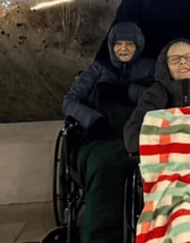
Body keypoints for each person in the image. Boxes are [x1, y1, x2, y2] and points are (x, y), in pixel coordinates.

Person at [62, 22, 155, 243]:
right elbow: (70, 101)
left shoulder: (150, 69)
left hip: (138, 130)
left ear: (138, 46)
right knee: (105, 166)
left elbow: (159, 95)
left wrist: (128, 91)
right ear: (111, 46)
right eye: (118, 44)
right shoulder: (97, 70)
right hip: (102, 133)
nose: (123, 49)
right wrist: (92, 119)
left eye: (129, 44)